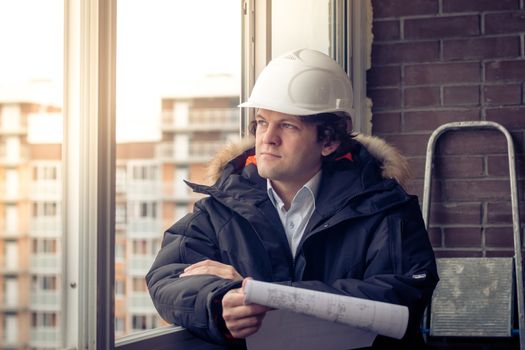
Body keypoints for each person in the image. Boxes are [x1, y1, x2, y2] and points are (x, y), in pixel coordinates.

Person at [146, 48, 438, 348]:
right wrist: (220, 300)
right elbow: (166, 278)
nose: (267, 138)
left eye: (287, 125)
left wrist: (261, 294)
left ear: (329, 140)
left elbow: (401, 296)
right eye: (261, 122)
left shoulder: (386, 208)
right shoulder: (220, 208)